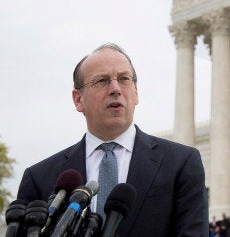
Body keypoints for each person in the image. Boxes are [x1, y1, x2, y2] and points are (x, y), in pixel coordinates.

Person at [16, 43, 208, 236]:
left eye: (124, 79)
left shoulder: (180, 163)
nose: (115, 88)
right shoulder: (39, 178)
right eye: (102, 80)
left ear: (136, 92)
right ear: (78, 99)